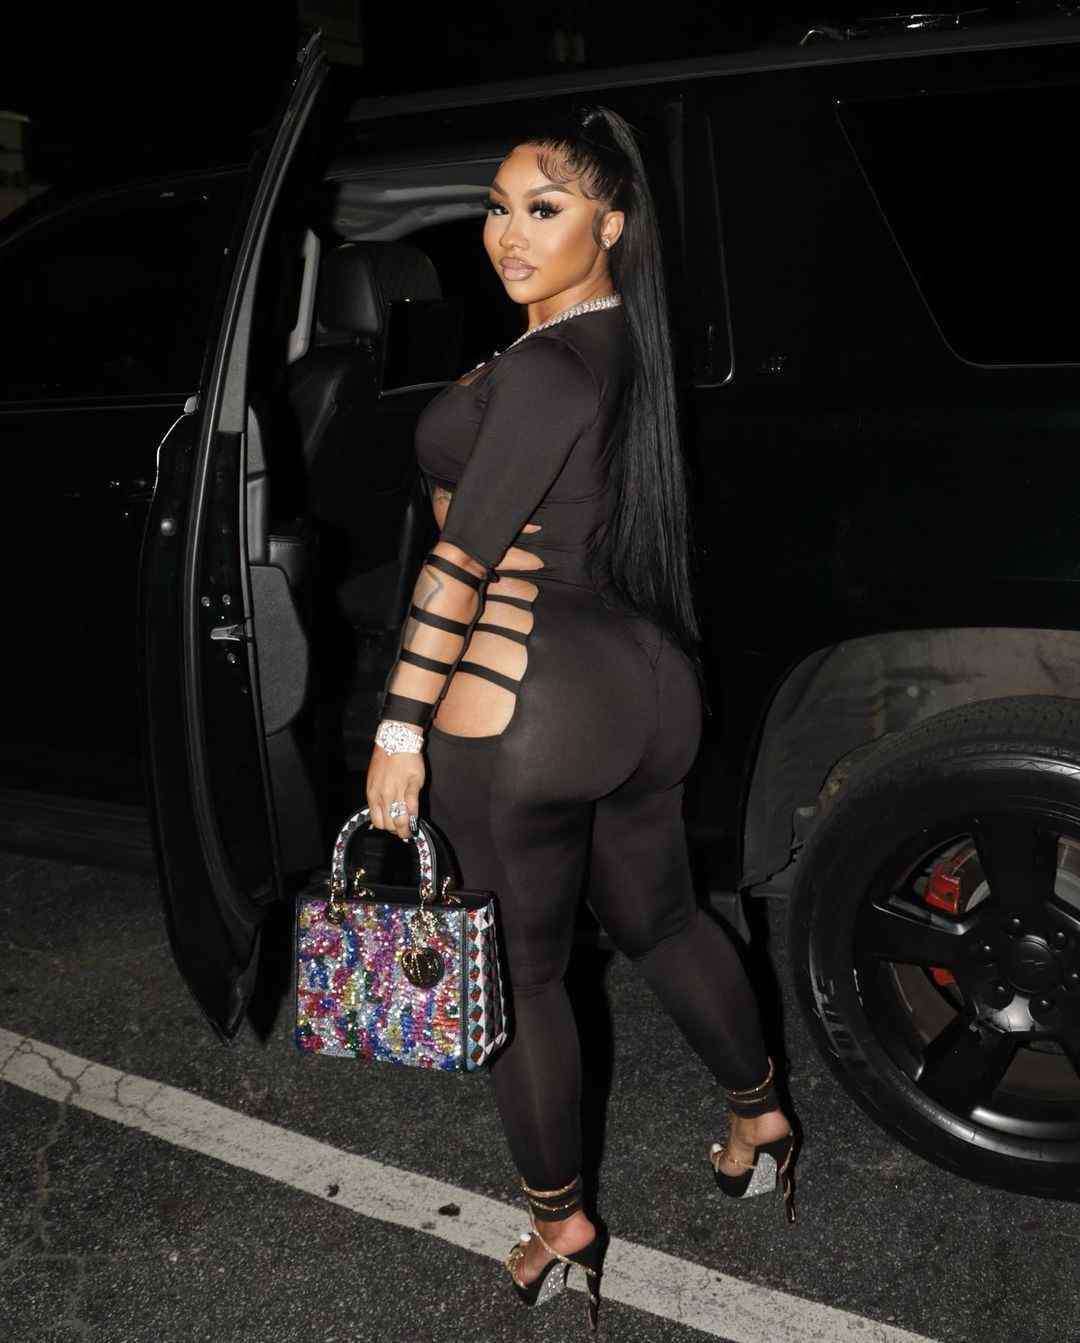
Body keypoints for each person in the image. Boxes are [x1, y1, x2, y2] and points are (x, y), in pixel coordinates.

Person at [364, 103, 797, 1333]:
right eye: (497, 208)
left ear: (609, 224)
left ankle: (560, 1226)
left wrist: (397, 731)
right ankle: (760, 1117)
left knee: (525, 973)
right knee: (665, 918)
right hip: (647, 684)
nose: (509, 233)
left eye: (543, 209)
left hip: (526, 699)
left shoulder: (550, 368)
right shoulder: (622, 346)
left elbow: (459, 564)